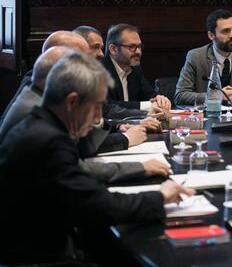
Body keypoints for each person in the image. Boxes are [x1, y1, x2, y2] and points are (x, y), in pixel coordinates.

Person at [0, 52, 194, 264]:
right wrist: (160, 196)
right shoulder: (48, 141)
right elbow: (98, 206)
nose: (98, 118)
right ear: (72, 102)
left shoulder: (38, 124)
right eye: (96, 106)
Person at [0, 47, 169, 184]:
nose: (100, 57)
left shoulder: (45, 104)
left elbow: (75, 165)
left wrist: (118, 127)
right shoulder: (37, 118)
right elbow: (81, 166)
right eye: (82, 59)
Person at [174, 9, 232, 105]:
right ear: (211, 35)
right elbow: (180, 95)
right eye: (226, 31)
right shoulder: (196, 57)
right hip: (208, 116)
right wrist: (215, 96)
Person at [102, 23, 171, 112]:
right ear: (113, 49)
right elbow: (107, 105)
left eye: (139, 46)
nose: (138, 52)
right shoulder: (99, 71)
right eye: (132, 47)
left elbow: (149, 94)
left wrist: (159, 99)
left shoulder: (135, 69)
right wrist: (148, 105)